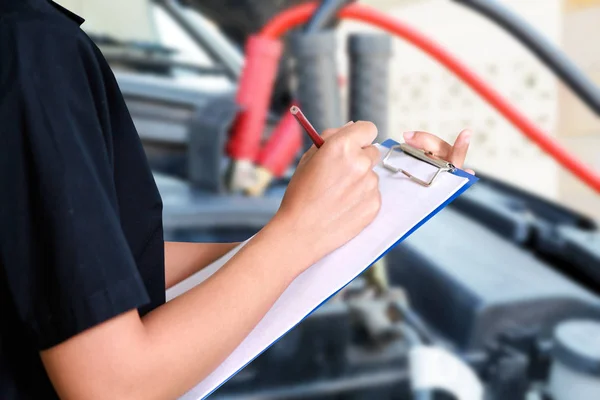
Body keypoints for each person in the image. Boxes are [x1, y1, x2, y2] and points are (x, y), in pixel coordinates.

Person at [0, 0, 473, 399]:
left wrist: (325, 227)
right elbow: (115, 387)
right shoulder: (31, 48)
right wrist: (297, 235)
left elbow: (96, 273)